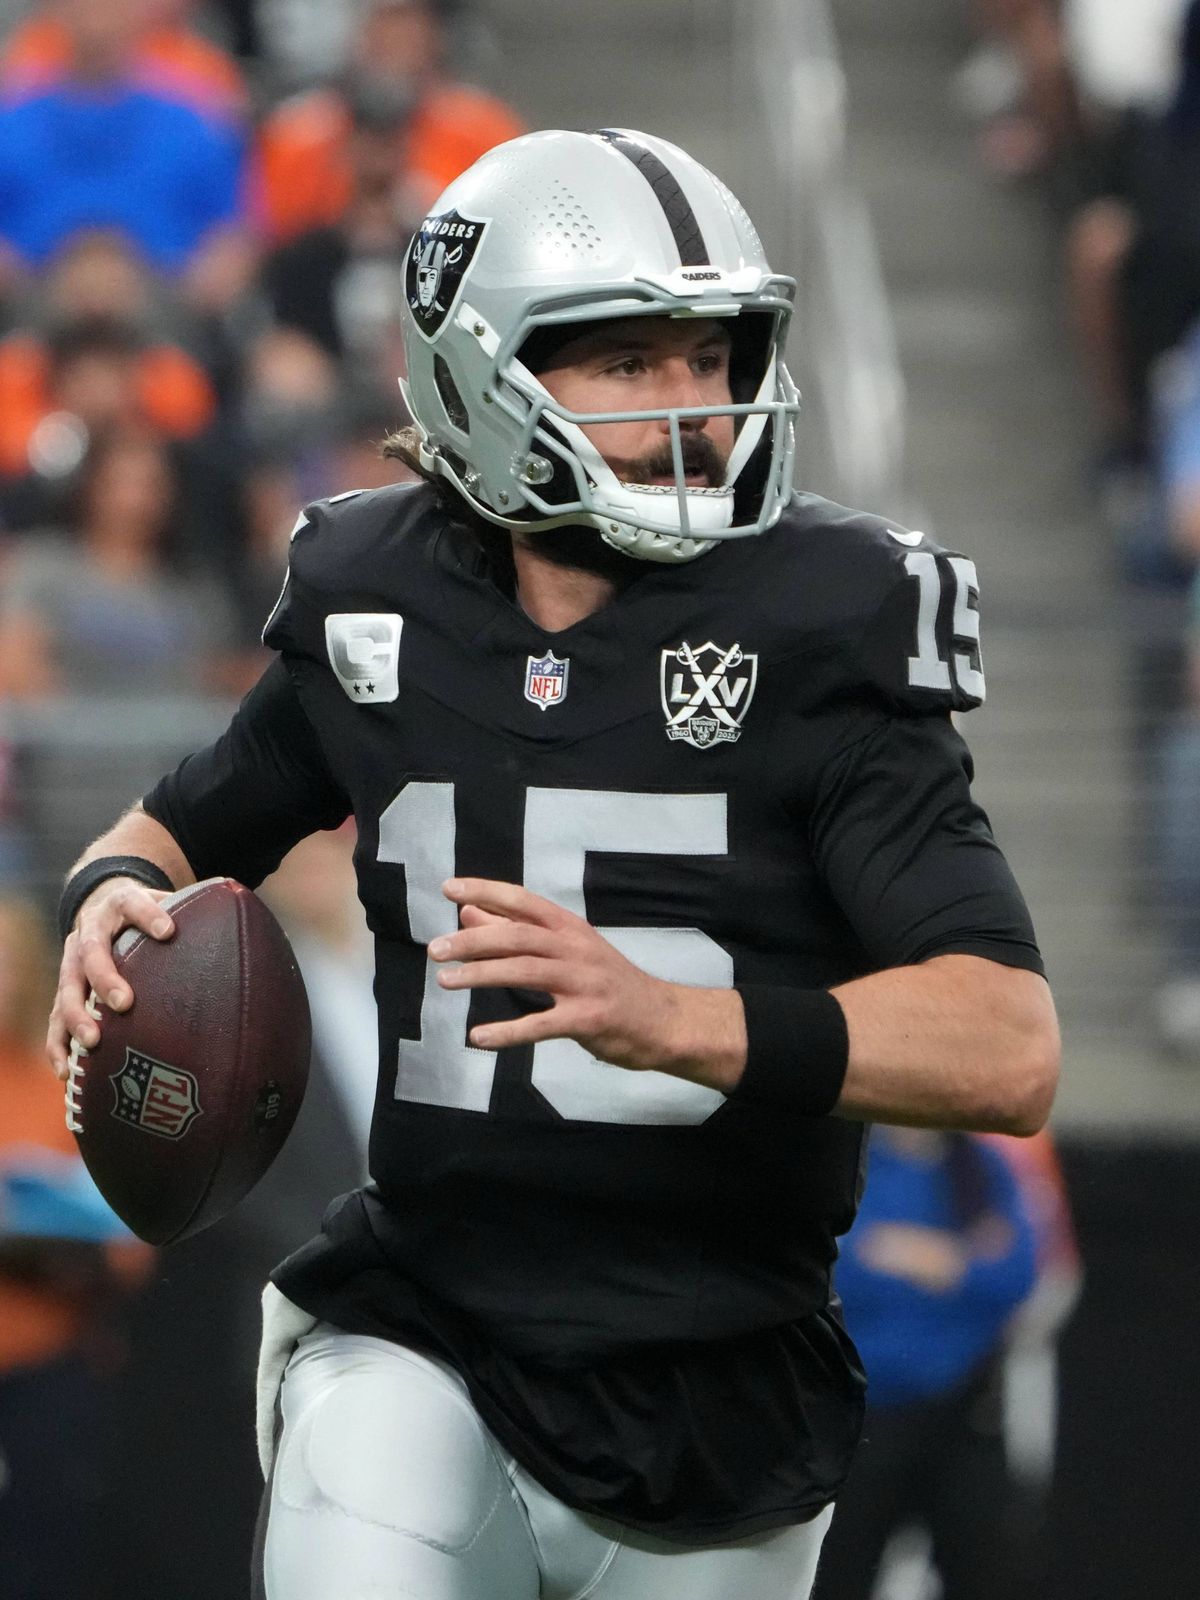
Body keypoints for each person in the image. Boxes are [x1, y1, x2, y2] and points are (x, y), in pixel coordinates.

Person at [47, 128, 1060, 1600]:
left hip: (718, 1382)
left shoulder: (828, 624)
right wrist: (102, 904)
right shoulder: (373, 598)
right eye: (626, 360)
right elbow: (171, 831)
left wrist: (676, 1020)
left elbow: (1010, 1042)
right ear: (476, 371)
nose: (694, 405)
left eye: (709, 355)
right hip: (426, 1325)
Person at [812, 1126, 1042, 1600]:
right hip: (859, 1421)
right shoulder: (846, 1160)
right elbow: (835, 1269)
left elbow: (1016, 1276)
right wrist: (960, 1261)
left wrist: (917, 1255)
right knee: (834, 1576)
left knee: (993, 1573)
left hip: (961, 1415)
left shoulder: (977, 1165)